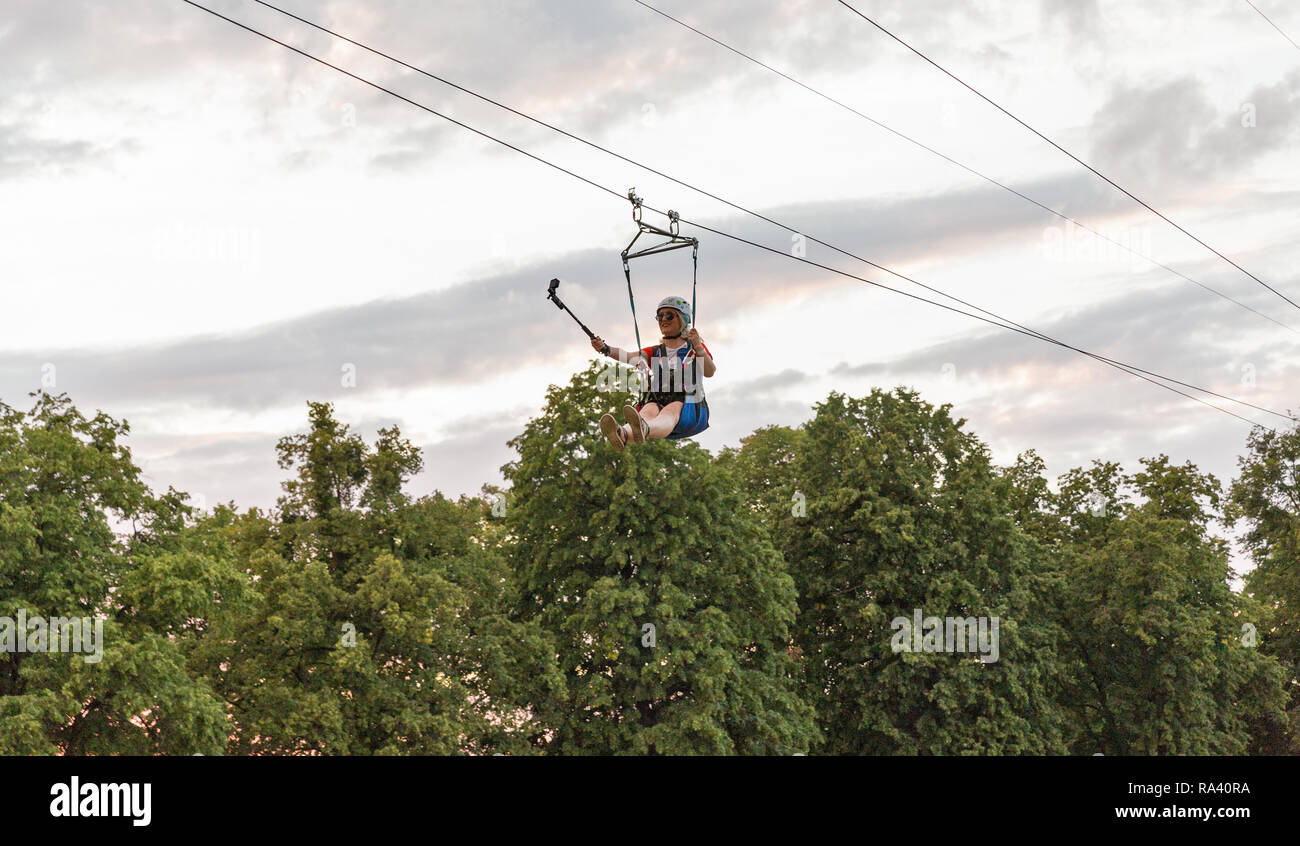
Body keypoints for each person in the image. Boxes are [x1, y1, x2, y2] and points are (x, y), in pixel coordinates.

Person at [589, 295, 715, 451]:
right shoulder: (656, 352)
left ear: (683, 319)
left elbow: (710, 371)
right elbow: (628, 356)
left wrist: (698, 347)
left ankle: (645, 428)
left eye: (669, 315)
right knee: (647, 410)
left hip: (688, 405)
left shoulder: (693, 348)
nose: (664, 319)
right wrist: (605, 348)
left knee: (670, 410)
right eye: (660, 316)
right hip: (658, 399)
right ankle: (622, 433)